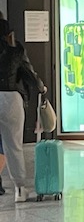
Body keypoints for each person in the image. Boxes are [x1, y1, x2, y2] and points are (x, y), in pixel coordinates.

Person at [0, 18, 42, 203]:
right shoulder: (15, 50)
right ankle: (19, 189)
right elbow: (28, 74)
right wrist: (41, 87)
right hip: (10, 98)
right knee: (14, 146)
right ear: (8, 33)